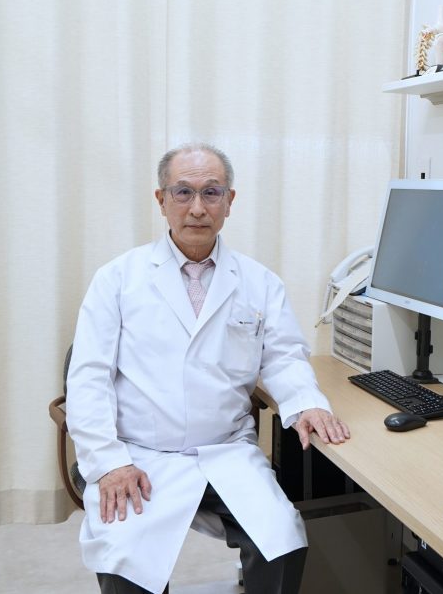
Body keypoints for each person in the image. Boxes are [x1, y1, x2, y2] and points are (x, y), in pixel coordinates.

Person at [66, 143, 351, 594]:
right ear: (161, 200)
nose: (197, 208)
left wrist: (307, 403)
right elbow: (88, 377)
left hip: (226, 452)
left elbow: (283, 357)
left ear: (229, 201)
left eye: (211, 192)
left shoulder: (259, 282)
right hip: (140, 453)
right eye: (183, 192)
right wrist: (109, 463)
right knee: (127, 557)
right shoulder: (117, 279)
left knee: (283, 540)